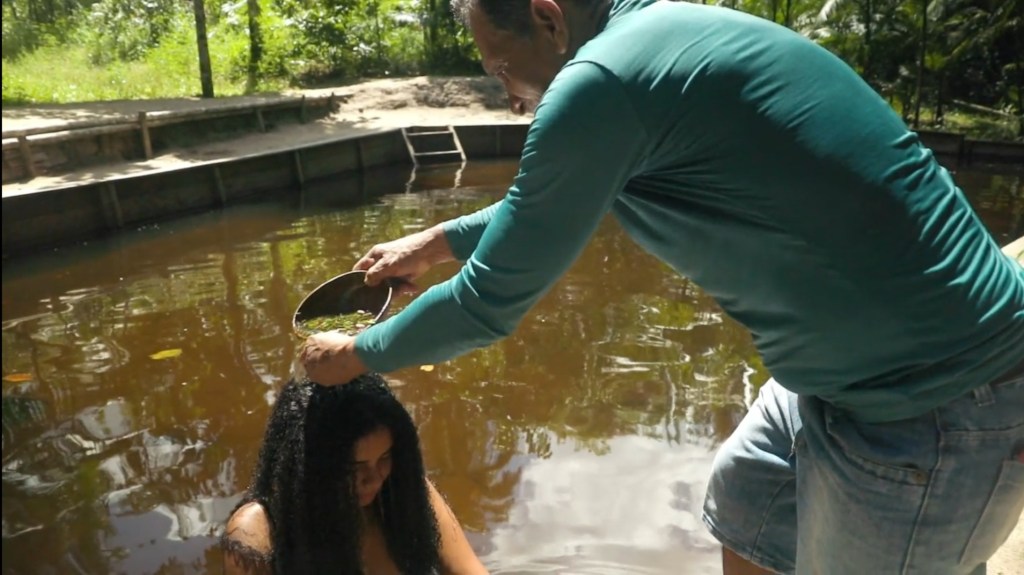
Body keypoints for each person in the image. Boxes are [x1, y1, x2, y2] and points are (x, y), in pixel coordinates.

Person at [300, 0, 1024, 573]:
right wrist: (432, 244)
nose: (511, 98)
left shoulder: (600, 84)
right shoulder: (650, 46)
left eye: (503, 69)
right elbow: (541, 204)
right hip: (854, 374)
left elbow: (487, 303)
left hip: (931, 402)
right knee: (747, 497)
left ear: (548, 18)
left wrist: (356, 353)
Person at [221, 374, 488, 575]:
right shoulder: (256, 535)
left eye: (384, 458)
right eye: (354, 467)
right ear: (306, 467)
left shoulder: (404, 494)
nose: (374, 478)